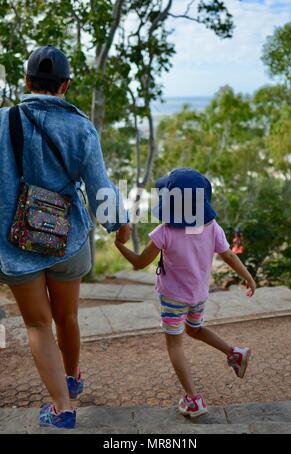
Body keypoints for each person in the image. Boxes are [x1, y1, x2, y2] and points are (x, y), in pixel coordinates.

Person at [0, 45, 131, 429]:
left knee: (37, 325)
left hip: (14, 242)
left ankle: (62, 408)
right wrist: (119, 222)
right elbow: (99, 187)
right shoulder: (81, 128)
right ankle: (71, 380)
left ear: (26, 82)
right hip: (67, 237)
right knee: (67, 317)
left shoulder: (3, 121)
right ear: (66, 85)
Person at [115, 168, 256, 418]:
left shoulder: (165, 231)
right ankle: (234, 353)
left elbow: (139, 262)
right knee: (195, 329)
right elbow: (229, 256)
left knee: (175, 345)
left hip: (172, 299)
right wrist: (248, 277)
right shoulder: (212, 227)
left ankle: (193, 400)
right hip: (199, 296)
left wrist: (119, 244)